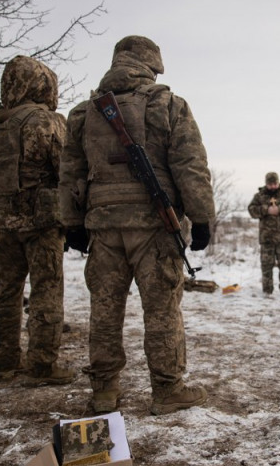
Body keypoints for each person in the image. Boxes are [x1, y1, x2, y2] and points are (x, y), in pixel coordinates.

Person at [60, 36, 215, 415]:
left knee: (105, 309)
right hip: (153, 226)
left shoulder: (84, 112)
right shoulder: (168, 104)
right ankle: (167, 390)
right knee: (161, 309)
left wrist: (71, 223)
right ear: (152, 66)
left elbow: (70, 173)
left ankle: (104, 392)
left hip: (102, 226)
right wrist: (202, 217)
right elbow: (190, 165)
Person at [0, 55, 74, 387]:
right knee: (46, 289)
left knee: (5, 292)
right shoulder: (46, 121)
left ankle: (3, 362)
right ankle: (42, 365)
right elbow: (65, 169)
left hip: (2, 222)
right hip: (41, 222)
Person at [247, 172, 280, 295]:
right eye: (270, 184)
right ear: (266, 183)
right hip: (267, 238)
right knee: (266, 266)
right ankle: (267, 291)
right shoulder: (259, 196)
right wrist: (266, 210)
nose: (273, 186)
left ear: (278, 182)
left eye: (275, 184)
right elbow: (251, 210)